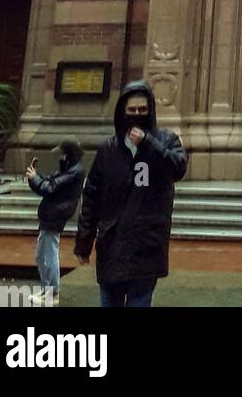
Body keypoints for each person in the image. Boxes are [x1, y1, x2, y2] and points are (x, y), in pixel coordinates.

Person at [74, 79, 188, 308]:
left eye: (143, 110)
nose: (137, 114)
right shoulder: (108, 149)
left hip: (146, 247)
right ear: (122, 111)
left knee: (140, 300)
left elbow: (177, 168)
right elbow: (91, 197)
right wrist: (84, 242)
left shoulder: (166, 141)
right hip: (112, 245)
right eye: (132, 110)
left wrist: (148, 143)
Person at [25, 140, 84, 300]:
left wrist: (36, 178)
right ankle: (46, 289)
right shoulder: (69, 168)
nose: (61, 156)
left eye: (63, 153)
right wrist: (34, 178)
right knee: (41, 254)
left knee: (49, 254)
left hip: (56, 215)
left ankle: (53, 292)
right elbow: (50, 182)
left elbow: (50, 188)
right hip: (50, 214)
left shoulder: (74, 171)